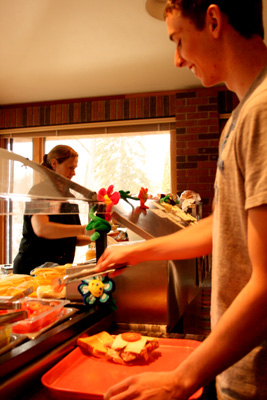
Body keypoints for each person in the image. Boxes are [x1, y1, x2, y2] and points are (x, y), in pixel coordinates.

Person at [96, 1, 267, 399]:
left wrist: (182, 378)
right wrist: (138, 252)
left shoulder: (261, 111)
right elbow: (225, 227)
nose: (176, 60)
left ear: (212, 21)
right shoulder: (245, 113)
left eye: (177, 40)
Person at [13, 145, 94, 275]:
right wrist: (84, 229)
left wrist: (96, 236)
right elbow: (42, 228)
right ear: (54, 164)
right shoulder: (40, 192)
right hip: (33, 269)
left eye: (75, 168)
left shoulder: (70, 197)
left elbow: (74, 238)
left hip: (57, 270)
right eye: (70, 167)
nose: (74, 173)